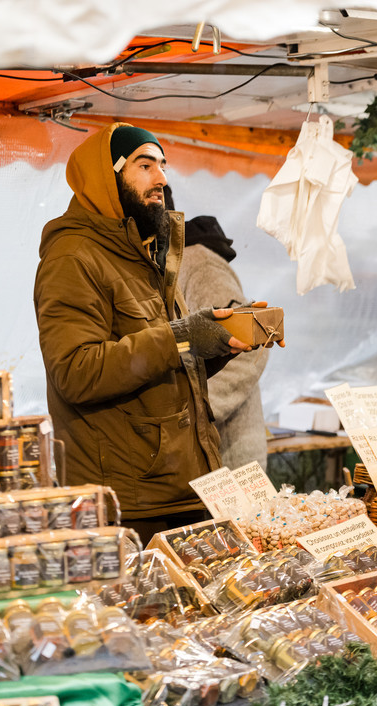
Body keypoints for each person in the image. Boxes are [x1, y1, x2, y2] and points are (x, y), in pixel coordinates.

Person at [34, 123, 258, 538]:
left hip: (181, 486)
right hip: (128, 502)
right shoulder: (73, 257)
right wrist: (184, 336)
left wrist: (215, 345)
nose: (162, 178)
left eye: (163, 166)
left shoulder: (145, 252)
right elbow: (75, 372)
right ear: (108, 174)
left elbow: (156, 364)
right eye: (145, 165)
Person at [178, 215, 272, 470]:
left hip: (229, 453)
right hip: (206, 452)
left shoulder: (199, 266)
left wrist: (196, 411)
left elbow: (250, 343)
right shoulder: (168, 265)